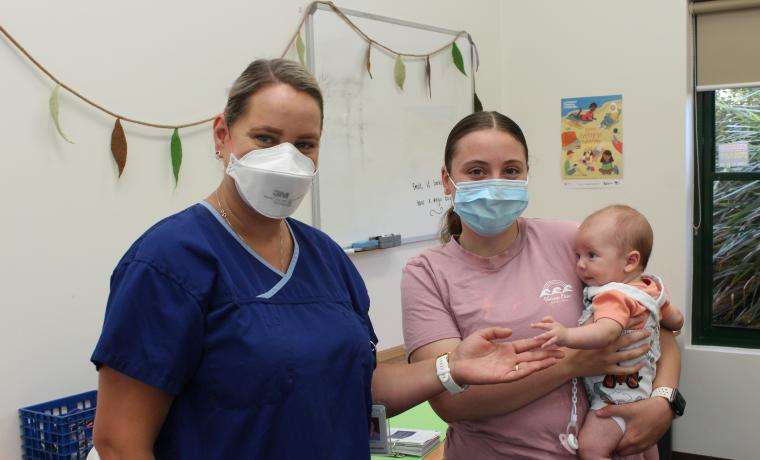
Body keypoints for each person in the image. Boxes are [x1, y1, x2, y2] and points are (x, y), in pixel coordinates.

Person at [89, 59, 562, 460]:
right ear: (222, 135)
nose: (287, 159)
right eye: (266, 139)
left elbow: (361, 385)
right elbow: (118, 441)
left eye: (305, 144)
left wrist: (451, 369)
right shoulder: (169, 261)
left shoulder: (325, 258)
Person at [402, 111, 682, 459]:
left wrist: (664, 400)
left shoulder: (571, 242)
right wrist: (571, 364)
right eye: (476, 171)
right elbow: (452, 401)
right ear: (447, 180)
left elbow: (654, 325)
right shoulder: (426, 273)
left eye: (511, 171)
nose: (496, 183)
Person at [532, 205, 684, 459]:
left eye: (591, 256)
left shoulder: (612, 296)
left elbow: (606, 332)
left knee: (591, 447)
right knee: (645, 446)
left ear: (630, 261)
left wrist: (565, 335)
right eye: (577, 256)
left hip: (614, 397)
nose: (580, 265)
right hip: (644, 390)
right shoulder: (652, 290)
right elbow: (676, 320)